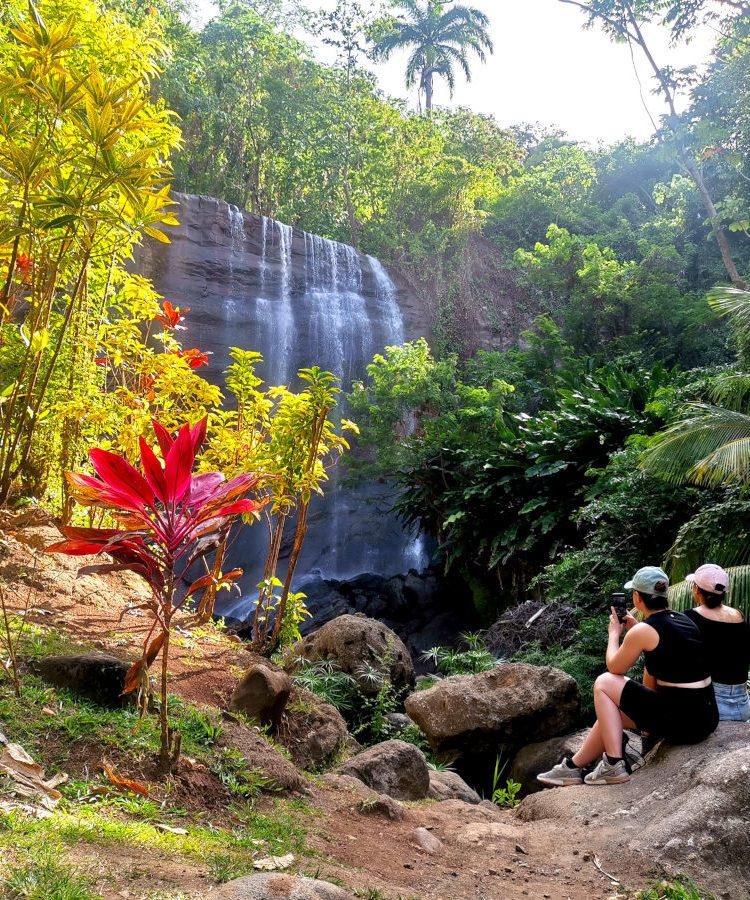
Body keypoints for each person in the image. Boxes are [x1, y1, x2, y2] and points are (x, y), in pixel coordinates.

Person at [537, 565, 718, 787]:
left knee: (604, 682)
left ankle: (613, 764)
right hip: (705, 719)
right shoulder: (683, 620)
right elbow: (667, 648)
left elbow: (615, 667)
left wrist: (614, 634)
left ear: (637, 597)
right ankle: (572, 767)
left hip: (681, 722)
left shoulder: (644, 630)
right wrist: (637, 629)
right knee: (611, 715)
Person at [683, 563, 750, 722]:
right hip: (743, 703)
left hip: (712, 702)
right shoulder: (739, 616)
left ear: (697, 590)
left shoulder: (690, 617)